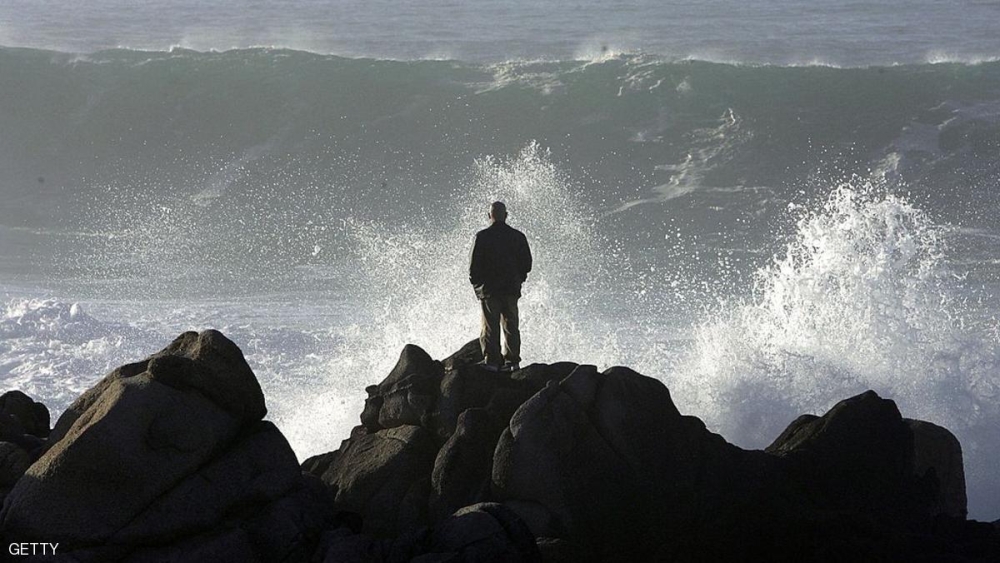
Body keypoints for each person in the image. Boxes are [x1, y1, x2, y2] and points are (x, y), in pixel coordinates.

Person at [469, 201, 532, 372]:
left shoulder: (482, 237)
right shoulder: (518, 236)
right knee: (511, 325)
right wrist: (519, 280)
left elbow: (473, 268)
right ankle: (512, 362)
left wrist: (479, 288)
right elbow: (527, 264)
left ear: (489, 216)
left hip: (489, 291)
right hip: (511, 289)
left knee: (490, 326)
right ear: (506, 215)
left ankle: (492, 362)